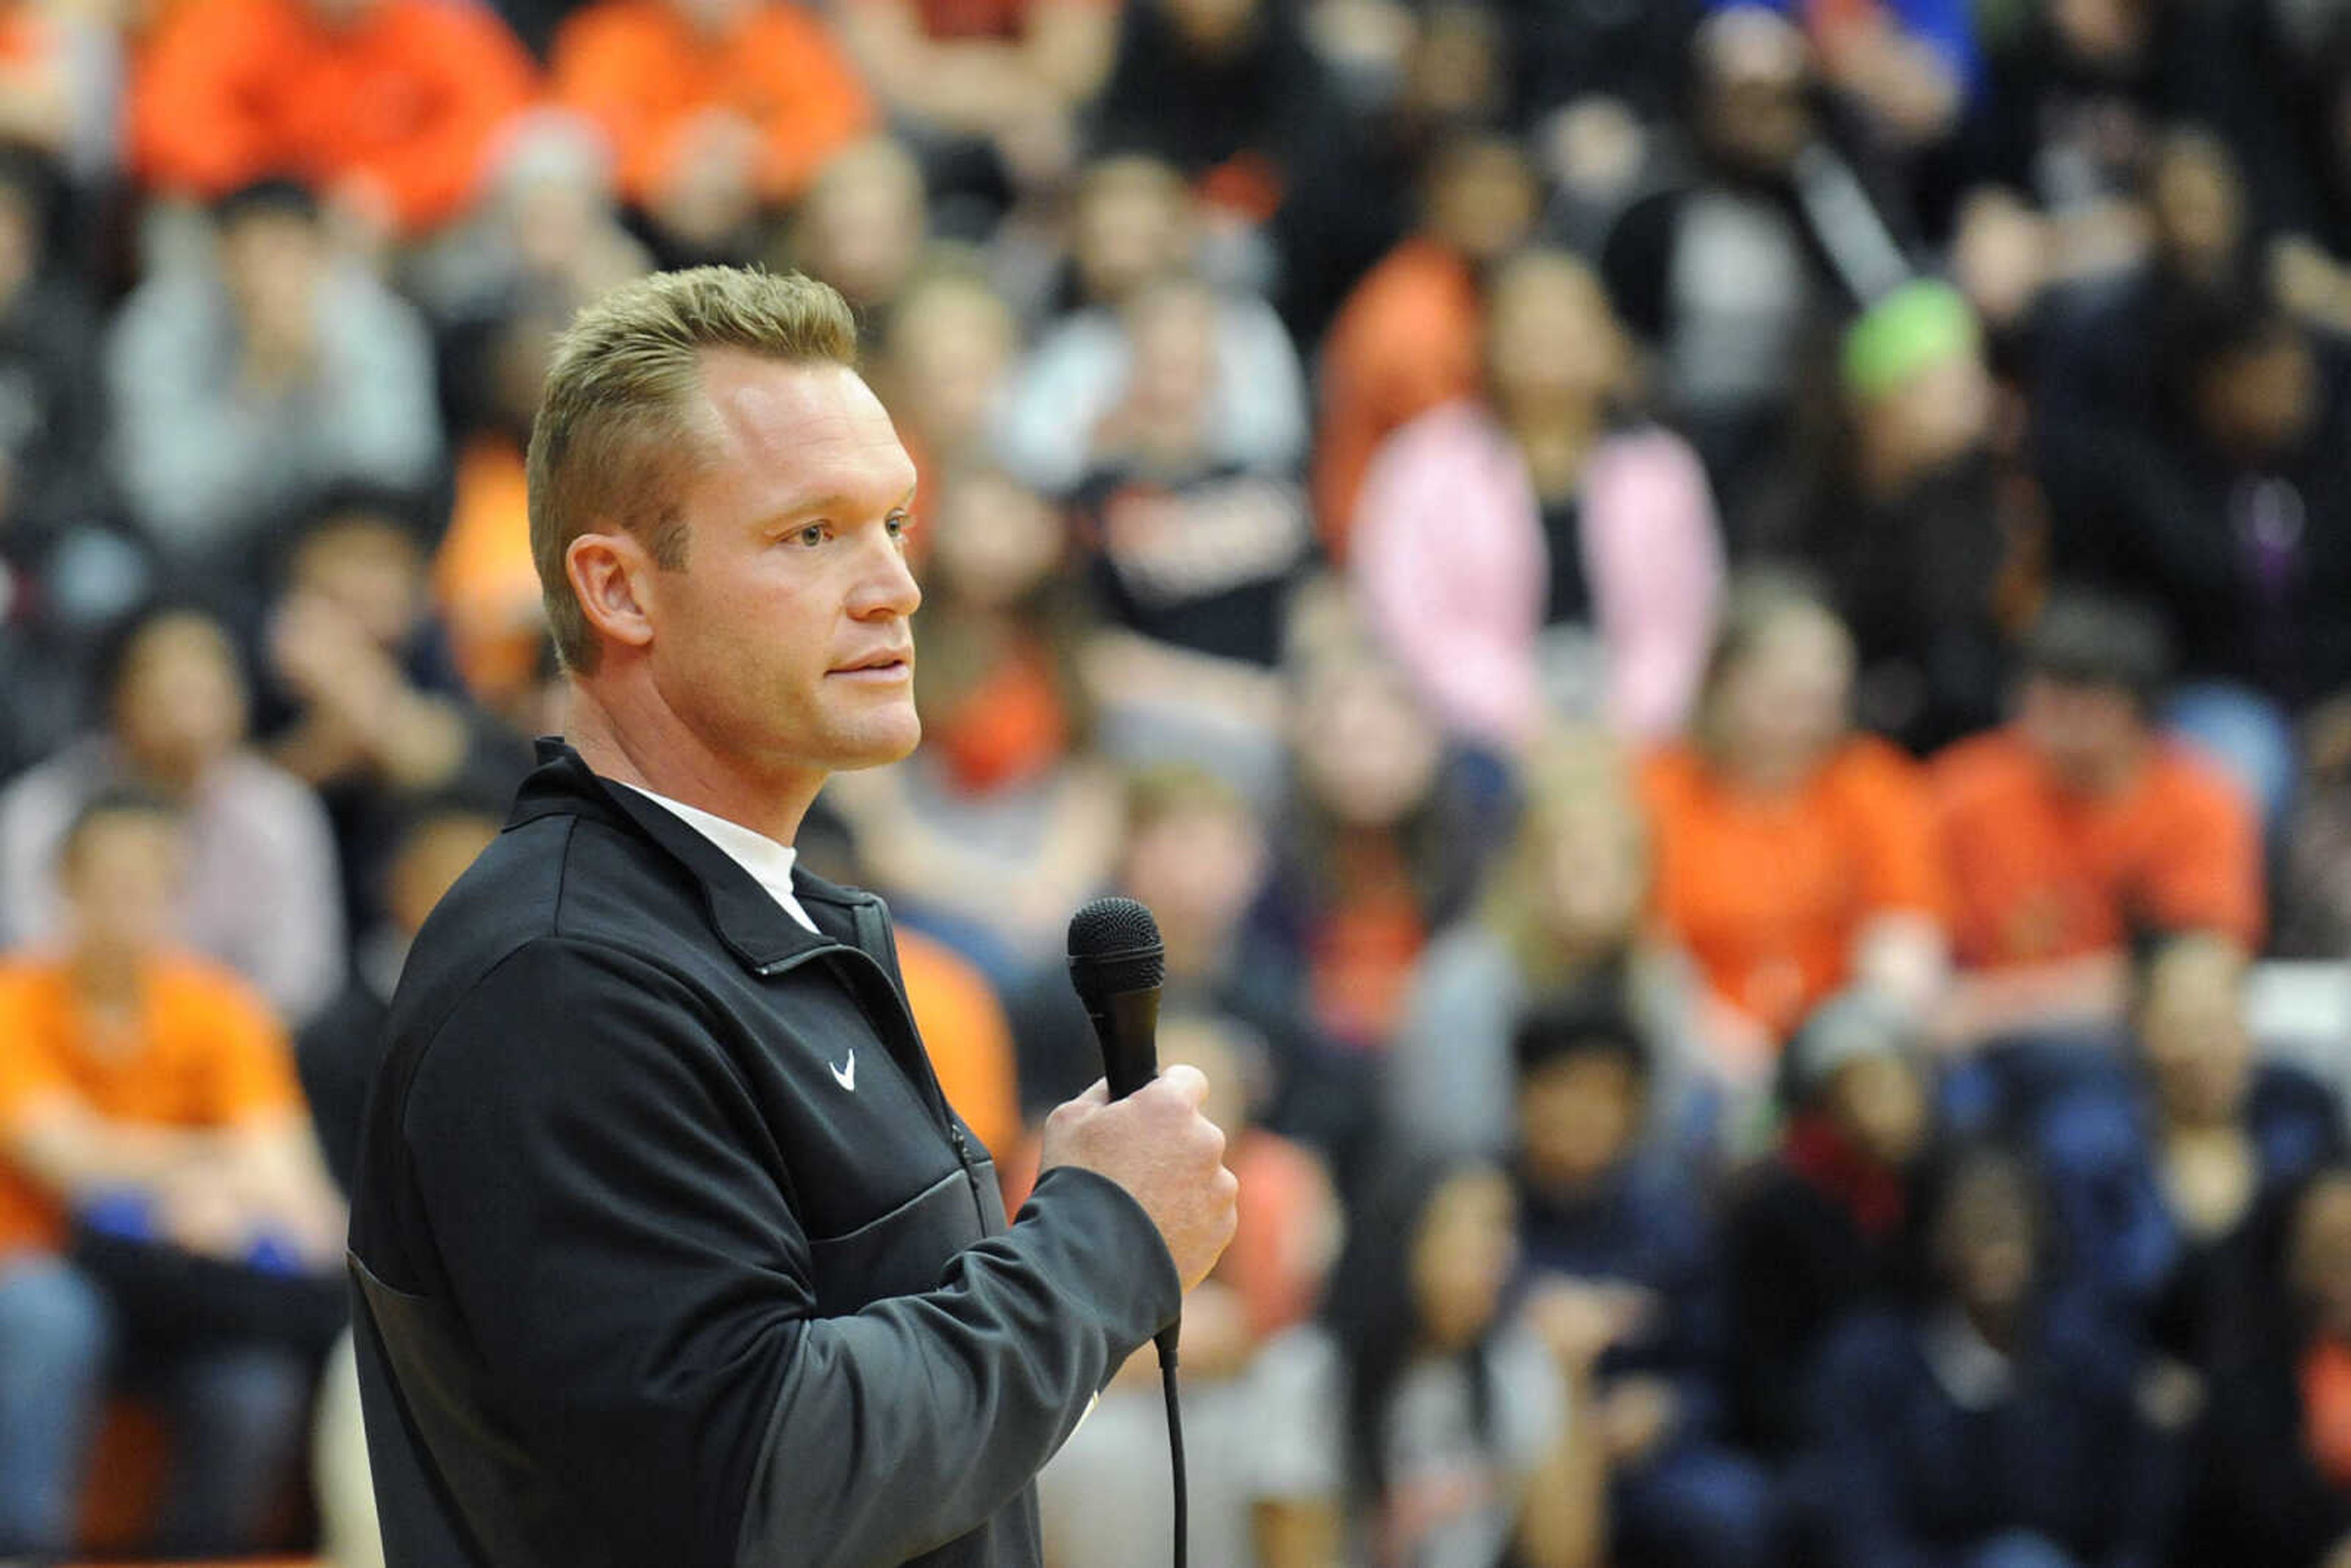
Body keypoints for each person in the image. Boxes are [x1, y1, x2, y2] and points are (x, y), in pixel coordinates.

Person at [346, 266, 1239, 1568]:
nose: (894, 586)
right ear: (622, 590)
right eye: (811, 533)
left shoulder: (749, 919)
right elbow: (766, 1476)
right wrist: (1106, 1237)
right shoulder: (563, 980)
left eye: (894, 520)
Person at [0, 788, 343, 1558]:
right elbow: (64, 1156)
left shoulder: (221, 1008)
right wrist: (214, 1166)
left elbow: (294, 1181)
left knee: (253, 1380)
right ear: (65, 882)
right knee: (48, 1317)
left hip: (180, 1280)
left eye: (157, 876)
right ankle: (23, 1547)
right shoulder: (13, 1001)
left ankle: (204, 1552)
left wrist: (236, 1187)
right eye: (114, 876)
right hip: (42, 1265)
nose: (135, 896)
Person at [1930, 592, 2262, 1049]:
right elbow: (1916, 942)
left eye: (2082, 700)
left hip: (2127, 1044)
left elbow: (2187, 966)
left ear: (2136, 710)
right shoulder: (1964, 790)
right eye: (2043, 695)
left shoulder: (2195, 800)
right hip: (1978, 1049)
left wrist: (1992, 1008)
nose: (2057, 718)